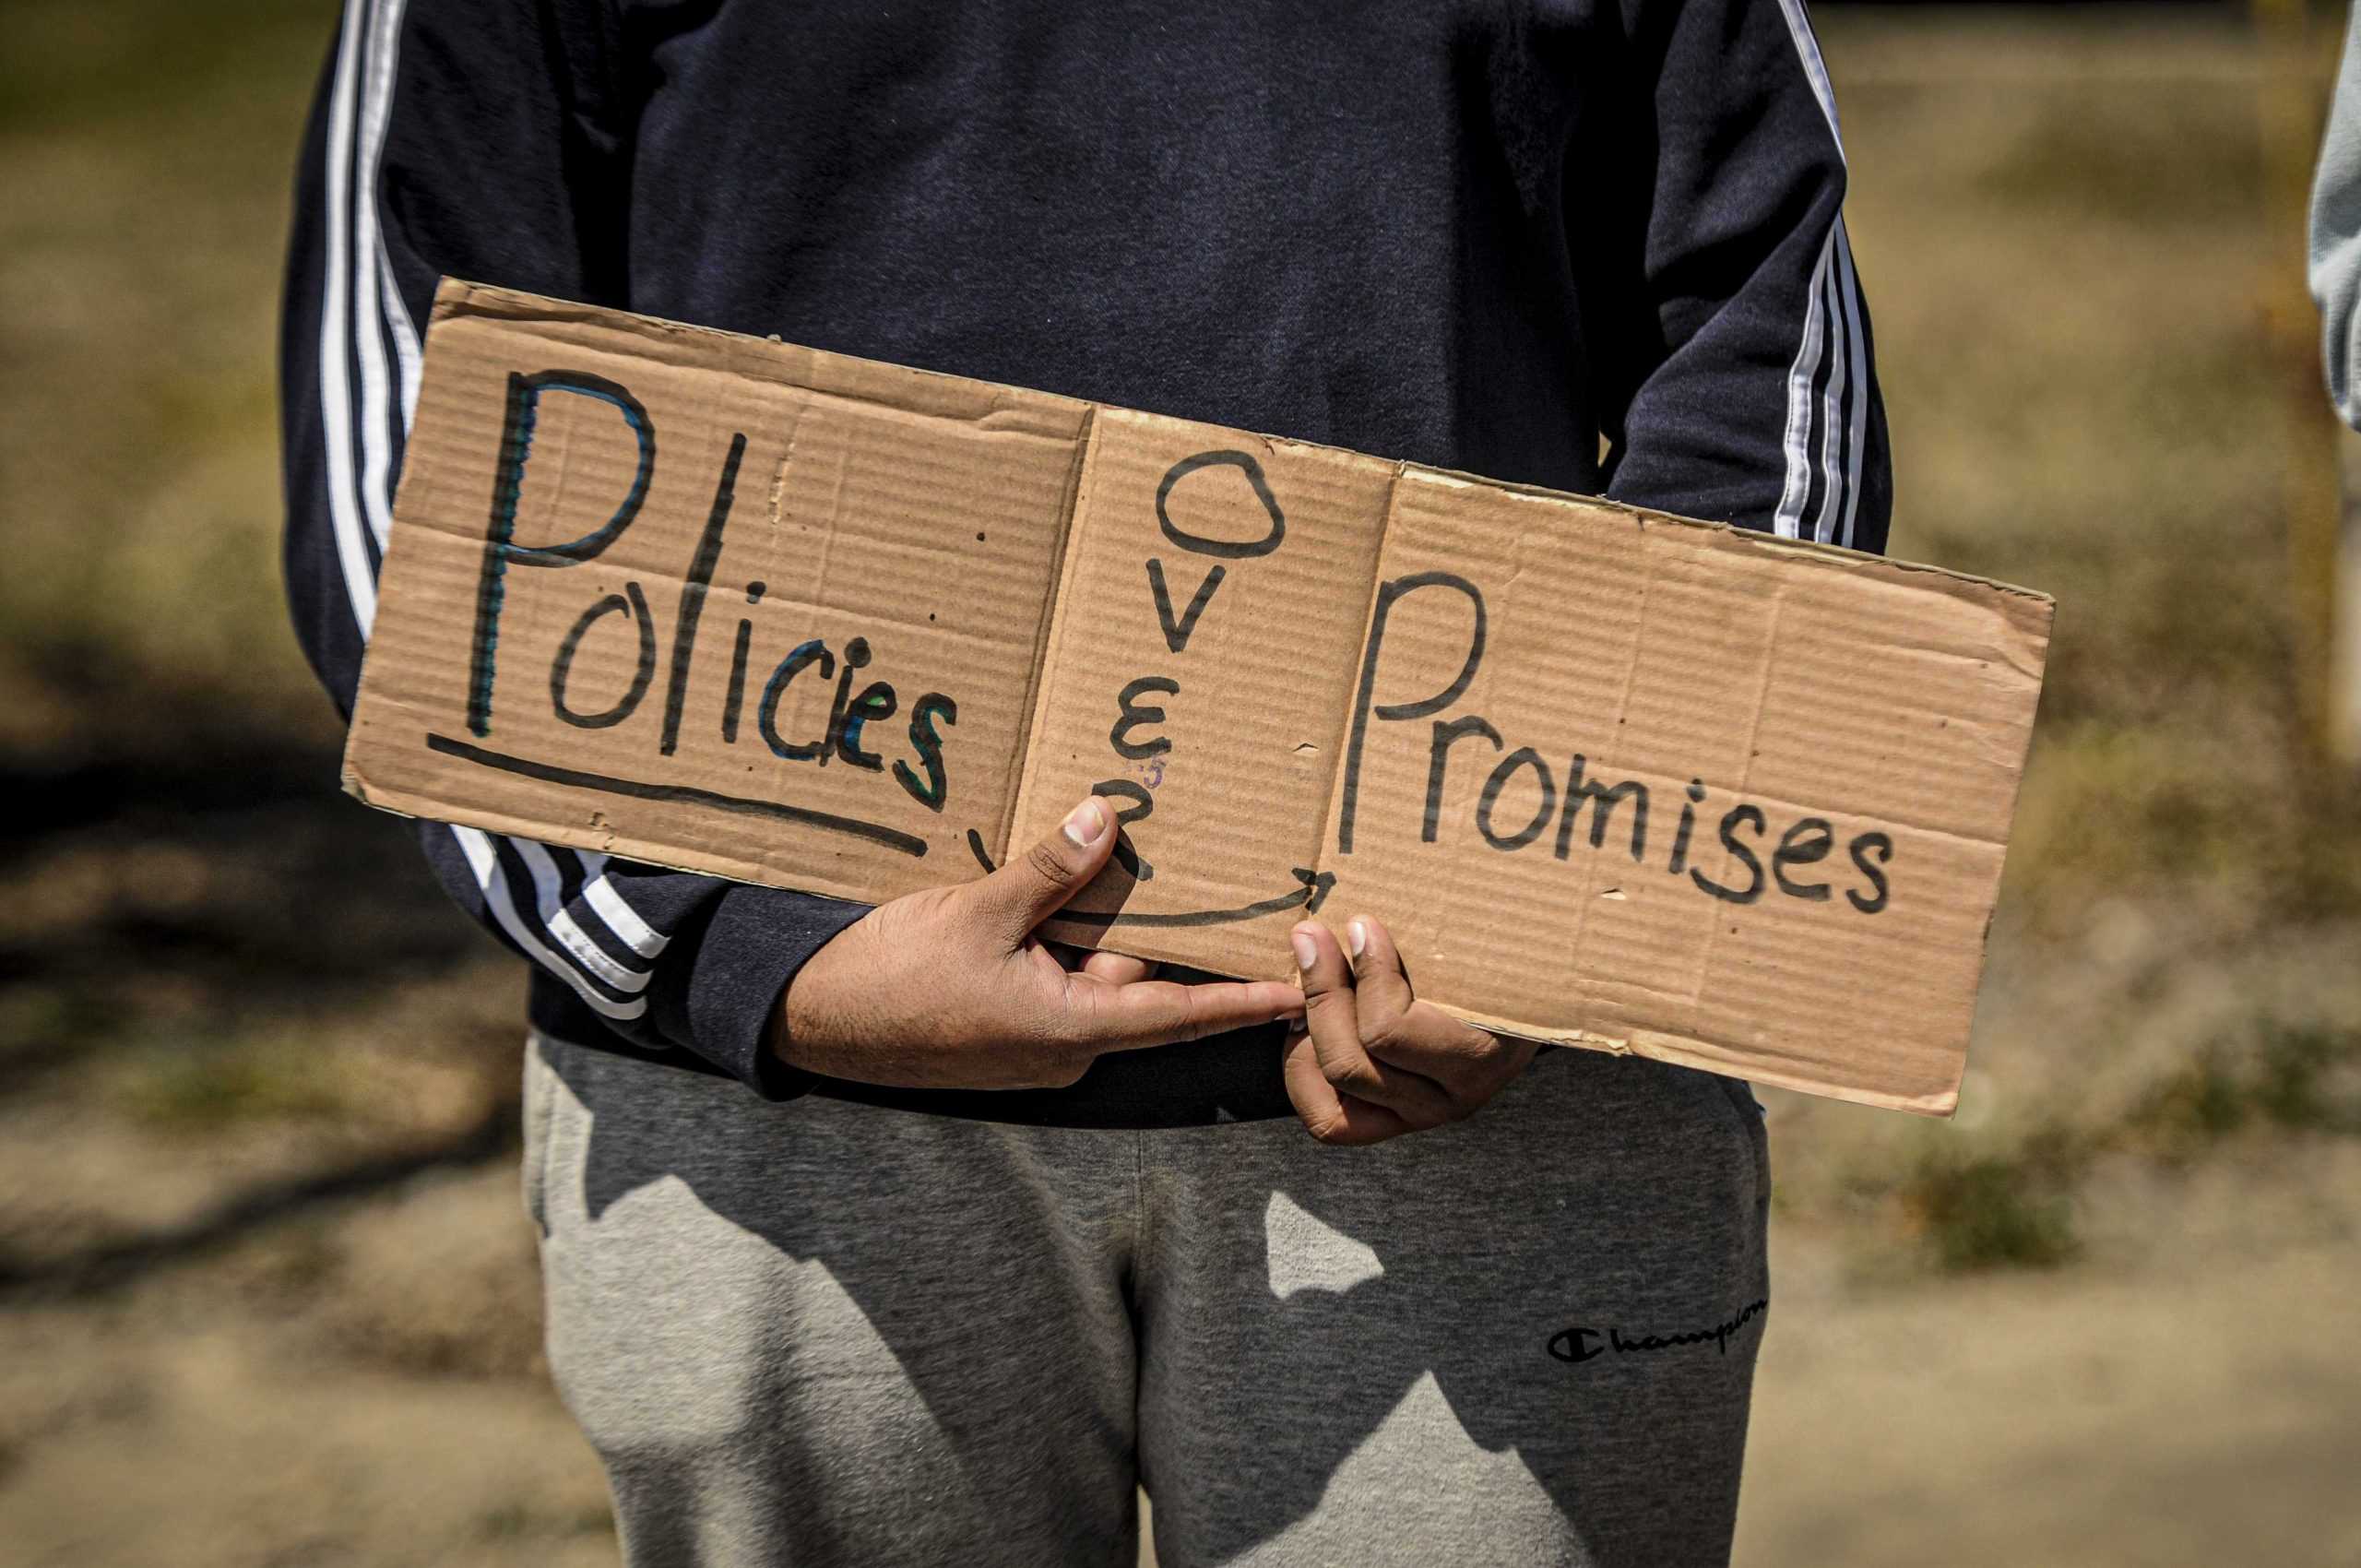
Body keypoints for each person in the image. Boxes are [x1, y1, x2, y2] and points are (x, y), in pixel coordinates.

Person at [281, 2, 1889, 1562]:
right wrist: (741, 957)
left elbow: (1764, 331)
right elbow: (408, 438)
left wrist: (1583, 913)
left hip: (1478, 1073)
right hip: (787, 1124)